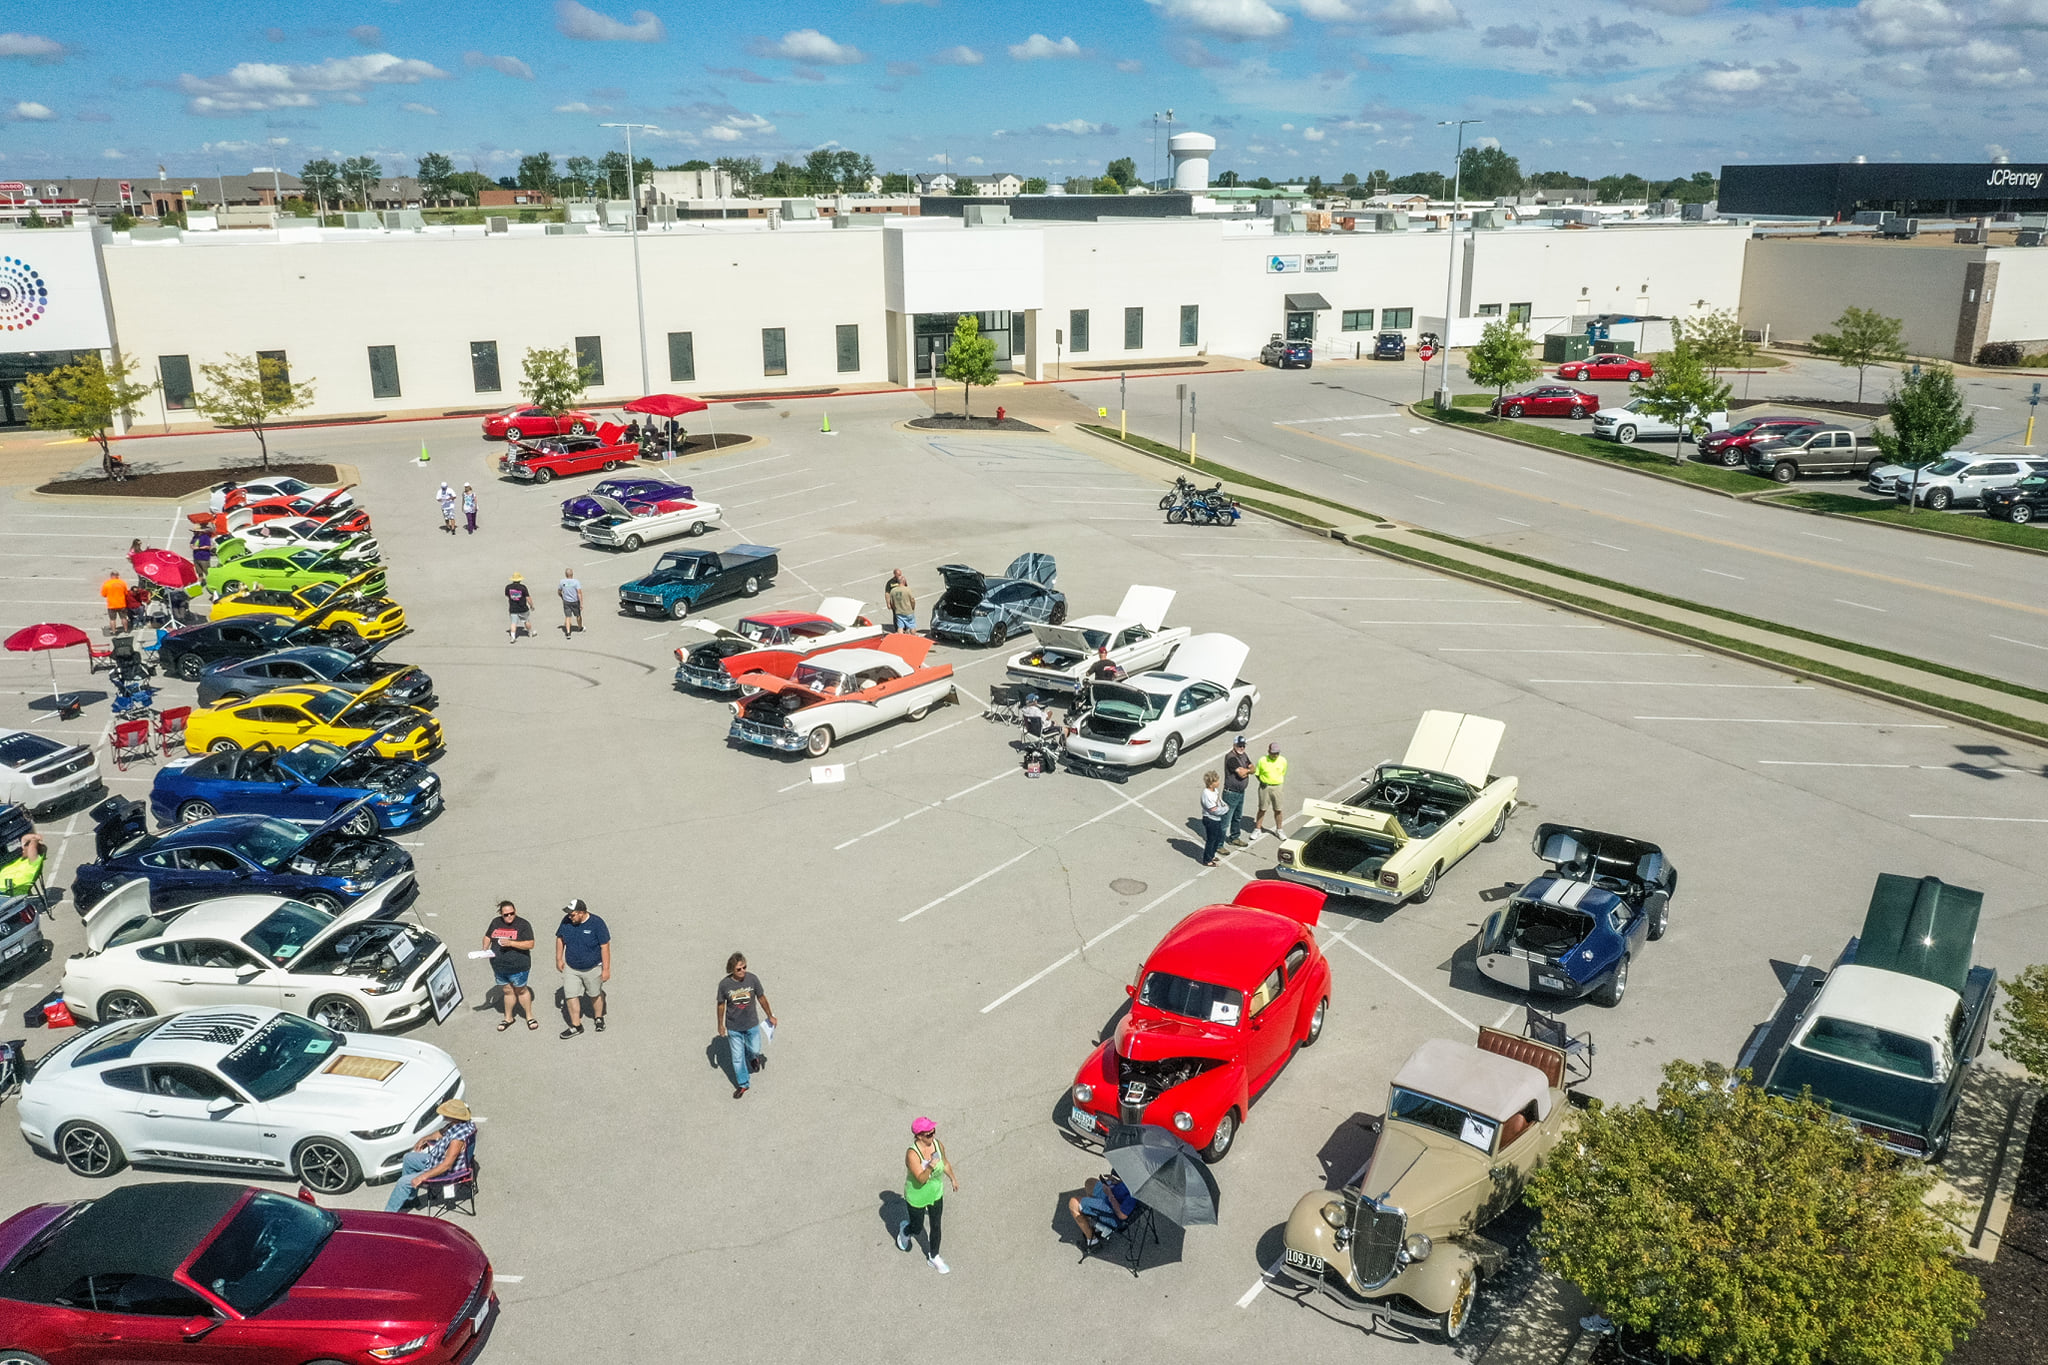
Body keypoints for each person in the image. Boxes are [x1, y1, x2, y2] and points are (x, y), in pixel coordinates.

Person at [386, 1099, 475, 1212]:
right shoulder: (460, 1124)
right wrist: (424, 1139)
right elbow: (442, 1132)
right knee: (409, 1158)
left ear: (454, 1116)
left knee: (403, 1182)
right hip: (437, 1159)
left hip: (445, 1171)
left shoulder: (458, 1138)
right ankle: (411, 1199)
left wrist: (421, 1177)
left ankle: (387, 1216)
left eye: (446, 1113)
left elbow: (446, 1165)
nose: (442, 1115)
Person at [895, 1117, 958, 1274]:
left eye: (933, 1132)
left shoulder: (938, 1145)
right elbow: (921, 1179)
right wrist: (930, 1167)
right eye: (928, 1134)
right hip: (917, 1195)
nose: (932, 1136)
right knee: (917, 1227)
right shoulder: (912, 1154)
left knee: (936, 1225)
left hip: (936, 1193)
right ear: (919, 1136)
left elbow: (945, 1163)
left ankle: (934, 1256)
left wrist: (953, 1178)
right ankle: (905, 1230)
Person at [715, 952, 778, 1100]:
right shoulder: (724, 985)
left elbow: (761, 998)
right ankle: (743, 1084)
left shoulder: (752, 979)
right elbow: (720, 1006)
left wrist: (770, 1015)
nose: (743, 971)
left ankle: (752, 1057)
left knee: (755, 1049)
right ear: (731, 969)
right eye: (739, 969)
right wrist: (720, 1025)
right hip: (733, 1027)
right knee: (737, 1058)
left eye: (744, 967)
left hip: (751, 1024)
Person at [555, 898, 610, 1038]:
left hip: (592, 967)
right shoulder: (566, 921)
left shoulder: (597, 923)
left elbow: (605, 947)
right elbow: (560, 938)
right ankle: (576, 1026)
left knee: (594, 994)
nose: (569, 917)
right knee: (570, 995)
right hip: (571, 967)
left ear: (581, 912)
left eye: (572, 914)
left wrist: (606, 969)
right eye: (568, 914)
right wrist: (559, 958)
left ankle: (598, 1017)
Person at [484, 900, 537, 1032]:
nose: (509, 916)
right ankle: (508, 1018)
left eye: (511, 913)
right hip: (499, 967)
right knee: (507, 991)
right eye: (506, 914)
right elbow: (487, 936)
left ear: (515, 911)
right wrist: (484, 948)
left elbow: (530, 944)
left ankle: (529, 1016)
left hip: (519, 967)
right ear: (501, 914)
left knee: (521, 990)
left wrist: (511, 943)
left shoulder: (523, 924)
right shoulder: (496, 922)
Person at [1068, 1174, 1138, 1249]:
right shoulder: (1139, 1180)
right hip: (1113, 1194)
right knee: (1090, 1183)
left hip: (1111, 1211)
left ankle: (1093, 1242)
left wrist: (1110, 1194)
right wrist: (1118, 1182)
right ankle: (1096, 1224)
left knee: (1073, 1203)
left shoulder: (1134, 1194)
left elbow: (1122, 1215)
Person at [1253, 740, 1288, 840]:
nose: (1275, 755)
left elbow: (1283, 772)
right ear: (1269, 752)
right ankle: (1257, 829)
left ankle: (1279, 830)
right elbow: (1257, 773)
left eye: (1277, 753)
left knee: (1278, 809)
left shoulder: (1283, 761)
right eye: (1273, 753)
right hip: (1265, 787)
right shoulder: (1262, 760)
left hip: (1277, 787)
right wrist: (1262, 781)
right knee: (1262, 809)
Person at [1222, 736, 1253, 848]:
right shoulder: (1231, 758)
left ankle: (1234, 837)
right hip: (1231, 793)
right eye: (1239, 745)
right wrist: (1247, 770)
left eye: (1243, 745)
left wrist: (1247, 770)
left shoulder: (1244, 755)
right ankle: (1219, 844)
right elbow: (1241, 773)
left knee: (1237, 817)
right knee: (1225, 821)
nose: (1242, 747)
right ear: (1234, 745)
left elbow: (1253, 768)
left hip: (1240, 792)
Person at [0, 833, 46, 899]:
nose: (22, 850)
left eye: (25, 848)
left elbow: (32, 846)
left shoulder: (34, 861)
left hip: (9, 891)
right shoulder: (22, 860)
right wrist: (34, 836)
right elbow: (24, 839)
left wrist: (34, 839)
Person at [1198, 771, 1226, 866]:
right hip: (1210, 819)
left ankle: (1212, 854)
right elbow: (1213, 810)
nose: (1218, 782)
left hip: (1216, 819)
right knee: (1211, 839)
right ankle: (1207, 859)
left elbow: (1219, 801)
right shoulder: (1207, 795)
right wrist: (1225, 810)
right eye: (1216, 781)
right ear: (1211, 783)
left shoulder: (1215, 791)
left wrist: (1224, 806)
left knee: (1218, 837)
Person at [885, 570, 916, 634]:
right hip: (907, 610)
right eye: (899, 575)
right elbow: (912, 600)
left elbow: (892, 601)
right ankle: (913, 636)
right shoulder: (890, 583)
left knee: (900, 626)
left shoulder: (893, 591)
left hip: (898, 610)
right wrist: (912, 607)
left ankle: (900, 636)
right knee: (912, 625)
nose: (900, 576)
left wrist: (894, 607)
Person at [505, 573, 532, 642]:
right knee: (526, 621)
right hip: (523, 608)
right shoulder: (523, 587)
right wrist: (531, 605)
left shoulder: (508, 587)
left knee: (513, 623)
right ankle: (530, 632)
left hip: (513, 608)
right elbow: (528, 598)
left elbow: (507, 596)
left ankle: (513, 637)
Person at [558, 570, 583, 638]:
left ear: (566, 575)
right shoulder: (576, 582)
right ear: (572, 574)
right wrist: (581, 603)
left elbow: (559, 591)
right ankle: (580, 627)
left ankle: (568, 632)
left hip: (566, 601)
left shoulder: (562, 582)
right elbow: (579, 593)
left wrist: (562, 597)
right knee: (578, 615)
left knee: (568, 617)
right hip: (575, 601)